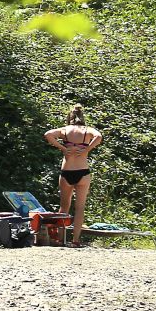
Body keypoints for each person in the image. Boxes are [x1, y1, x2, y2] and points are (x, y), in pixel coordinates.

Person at [43, 104, 102, 247]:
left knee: (64, 207)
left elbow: (47, 134)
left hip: (67, 171)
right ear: (83, 118)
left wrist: (63, 148)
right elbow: (99, 136)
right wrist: (87, 149)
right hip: (83, 171)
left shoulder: (65, 130)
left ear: (69, 117)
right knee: (80, 207)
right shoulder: (88, 130)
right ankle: (75, 240)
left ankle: (61, 239)